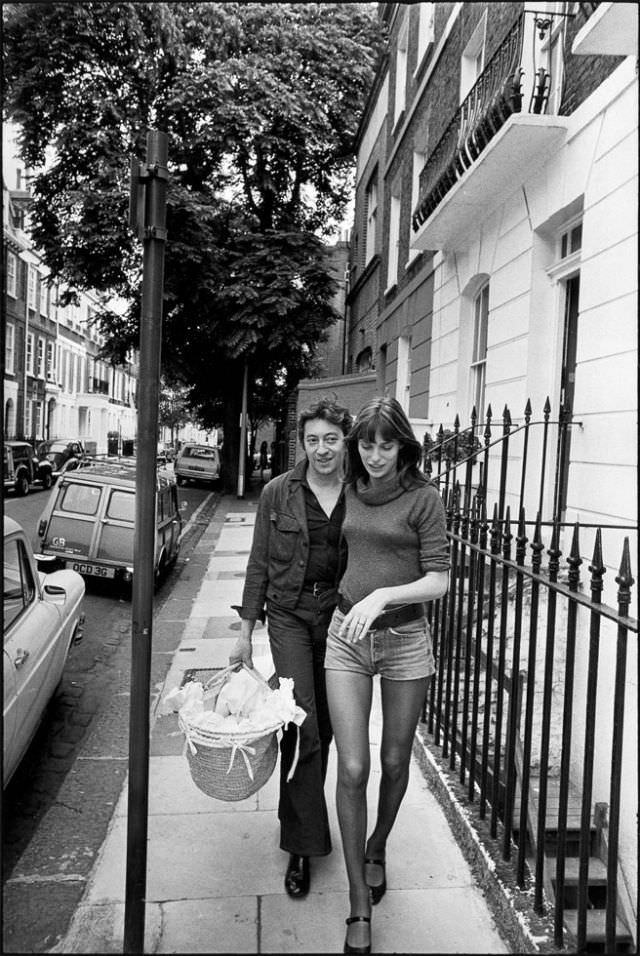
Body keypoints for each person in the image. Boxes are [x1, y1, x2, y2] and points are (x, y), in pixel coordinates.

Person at [324, 396, 450, 954]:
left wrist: (384, 595)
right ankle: (357, 903)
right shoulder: (350, 489)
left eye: (386, 444)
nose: (375, 455)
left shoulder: (424, 499)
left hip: (404, 641)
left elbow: (439, 580)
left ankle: (377, 846)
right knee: (352, 767)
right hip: (346, 637)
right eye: (366, 444)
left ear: (404, 445)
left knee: (397, 760)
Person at [230, 396, 352, 899]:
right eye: (312, 440)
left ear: (345, 441)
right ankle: (302, 845)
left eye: (331, 439)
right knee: (303, 724)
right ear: (300, 444)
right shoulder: (279, 493)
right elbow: (259, 562)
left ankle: (300, 816)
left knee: (328, 727)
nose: (321, 449)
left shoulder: (363, 493)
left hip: (342, 620)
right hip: (289, 615)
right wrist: (244, 633)